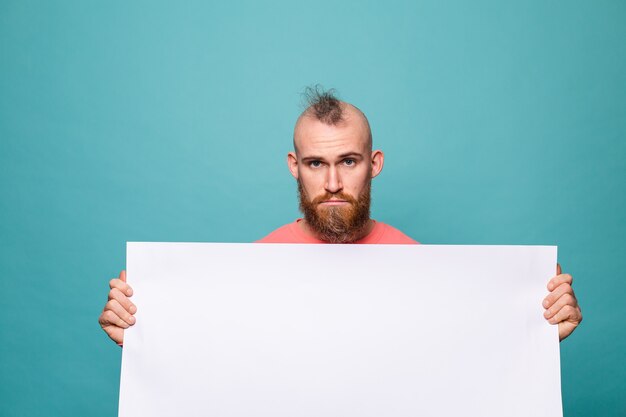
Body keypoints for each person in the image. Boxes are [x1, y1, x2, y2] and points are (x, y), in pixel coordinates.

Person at [98, 87, 583, 346]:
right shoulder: (250, 270)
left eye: (348, 161)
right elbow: (216, 366)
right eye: (316, 163)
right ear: (295, 167)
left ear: (374, 164)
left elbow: (466, 363)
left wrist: (536, 331)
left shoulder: (424, 268)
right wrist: (146, 338)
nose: (332, 183)